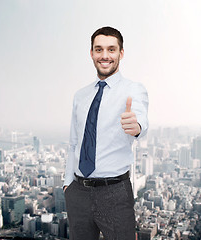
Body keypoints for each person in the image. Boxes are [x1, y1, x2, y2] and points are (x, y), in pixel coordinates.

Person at [63, 26, 148, 240]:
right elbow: (74, 142)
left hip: (115, 192)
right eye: (99, 49)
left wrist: (135, 126)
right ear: (91, 53)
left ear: (121, 53)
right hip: (78, 192)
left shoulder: (133, 90)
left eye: (111, 49)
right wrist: (67, 184)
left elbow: (141, 120)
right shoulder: (80, 96)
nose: (105, 55)